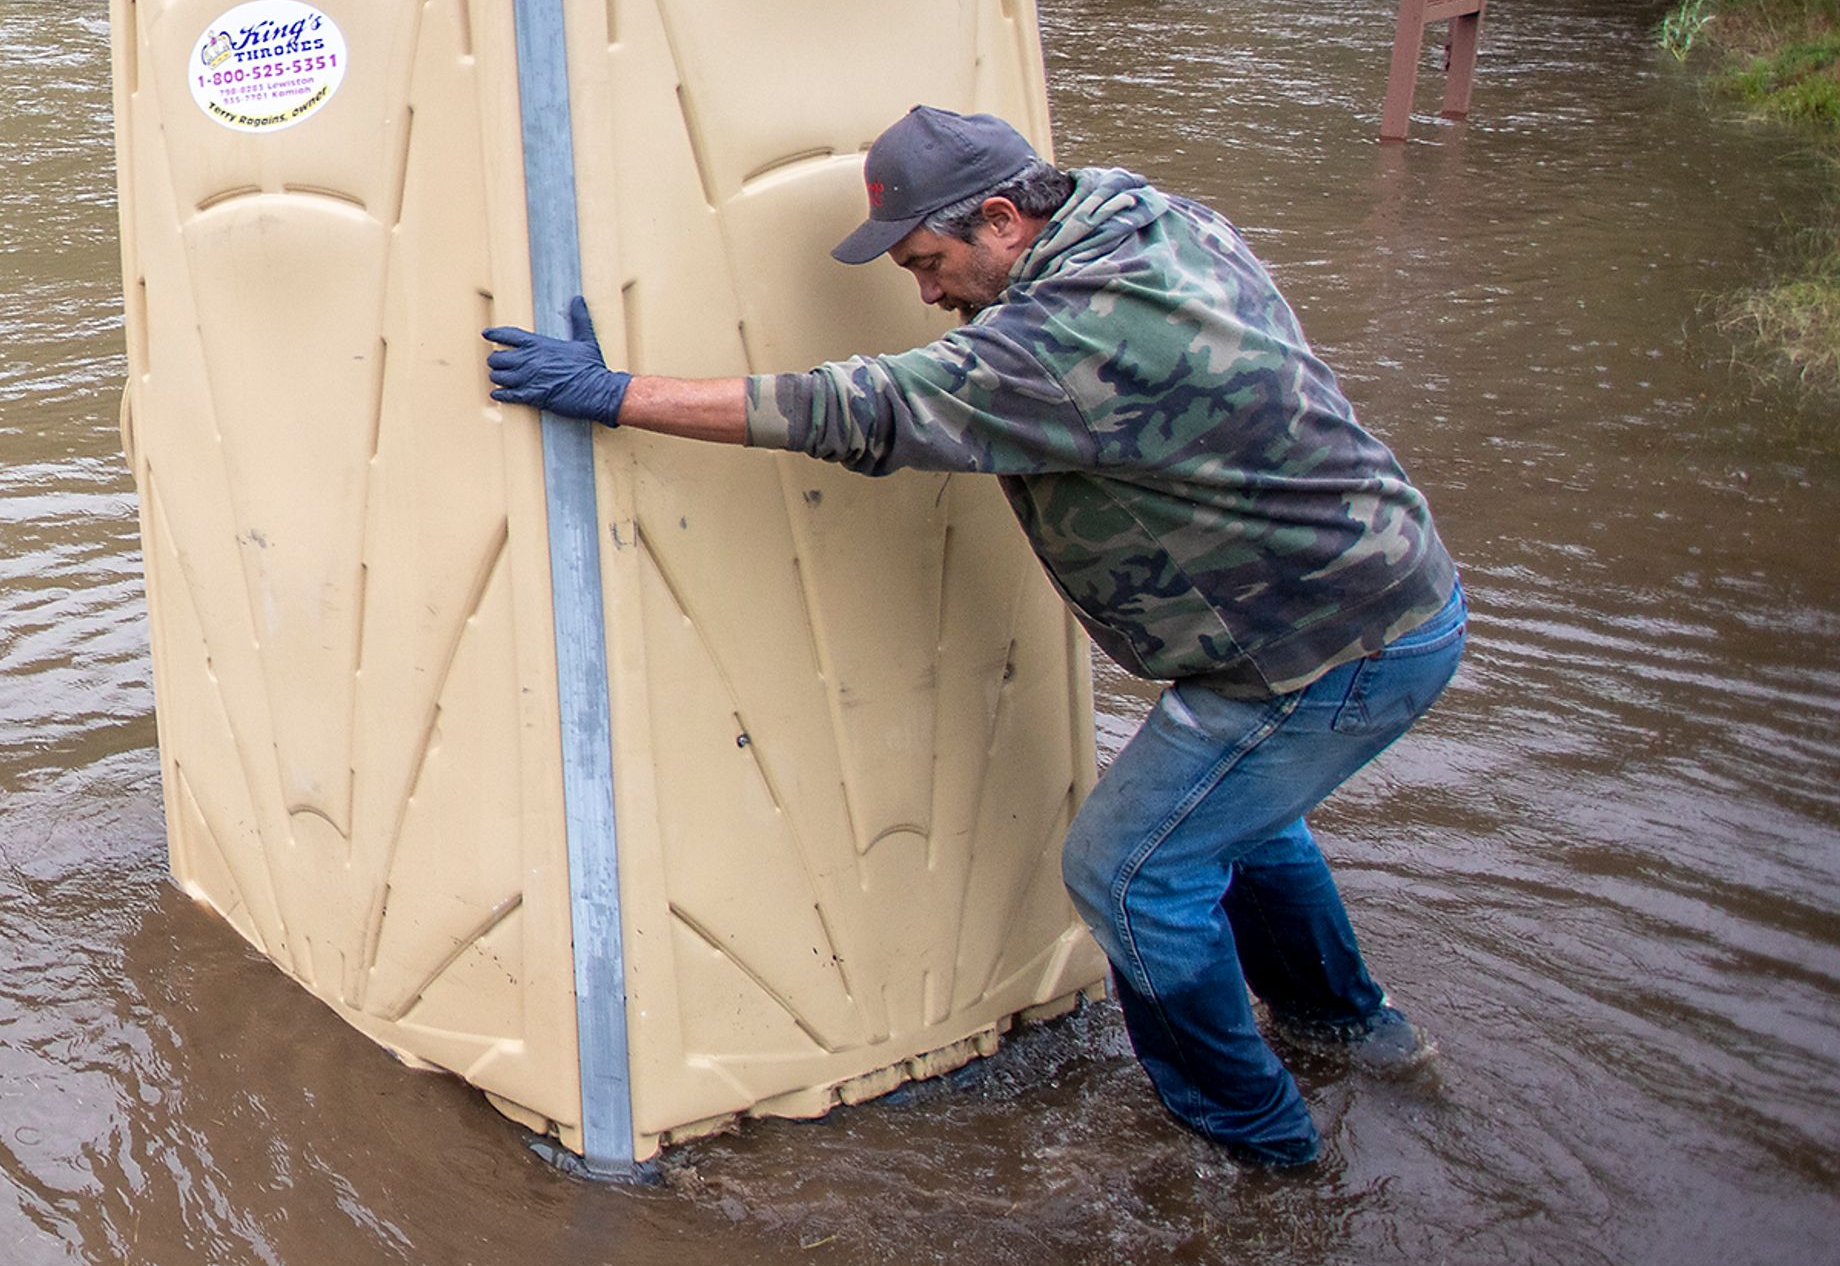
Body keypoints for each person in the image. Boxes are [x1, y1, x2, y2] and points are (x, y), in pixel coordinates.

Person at [482, 104, 1465, 1169]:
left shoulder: (1067, 337)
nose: (927, 292)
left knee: (1129, 873)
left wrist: (616, 394)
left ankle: (1267, 1147)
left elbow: (856, 408)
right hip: (1369, 588)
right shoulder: (1139, 210)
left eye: (928, 261)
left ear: (1002, 216)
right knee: (1235, 821)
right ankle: (1355, 1032)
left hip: (1327, 644)